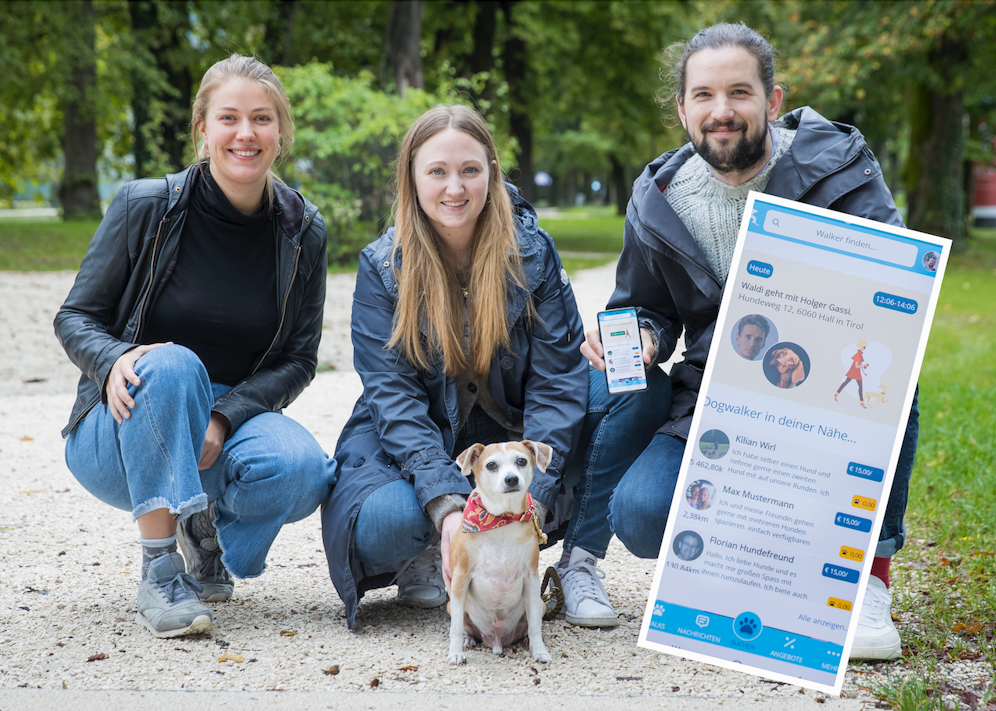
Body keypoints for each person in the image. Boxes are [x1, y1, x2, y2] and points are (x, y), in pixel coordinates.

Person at [573, 22, 919, 660]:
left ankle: (869, 578)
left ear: (774, 101)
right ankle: (756, 559)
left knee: (892, 370)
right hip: (716, 393)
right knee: (642, 515)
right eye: (703, 96)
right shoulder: (659, 197)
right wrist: (643, 334)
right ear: (682, 110)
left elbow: (894, 286)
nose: (721, 111)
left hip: (821, 389)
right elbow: (644, 305)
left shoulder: (838, 170)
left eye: (739, 92)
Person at [54, 54, 337, 639]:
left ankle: (204, 534)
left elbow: (299, 359)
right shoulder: (144, 206)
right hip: (124, 418)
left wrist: (224, 416)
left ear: (280, 133)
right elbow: (75, 316)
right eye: (228, 117)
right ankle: (159, 568)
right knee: (176, 363)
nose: (245, 133)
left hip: (226, 416)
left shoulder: (303, 229)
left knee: (304, 468)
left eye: (262, 119)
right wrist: (110, 361)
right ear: (202, 129)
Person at [320, 105, 591, 629]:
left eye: (470, 170)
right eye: (437, 172)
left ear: (491, 170)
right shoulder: (382, 265)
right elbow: (392, 396)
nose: (455, 188)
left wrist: (528, 498)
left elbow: (560, 381)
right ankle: (429, 544)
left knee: (605, 390)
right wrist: (447, 507)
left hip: (506, 446)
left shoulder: (532, 253)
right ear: (412, 178)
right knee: (386, 523)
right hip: (415, 442)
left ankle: (575, 563)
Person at [836, 339, 870, 406]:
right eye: (864, 347)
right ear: (861, 346)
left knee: (856, 385)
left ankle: (861, 401)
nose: (865, 348)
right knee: (853, 385)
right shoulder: (858, 354)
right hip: (854, 372)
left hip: (856, 372)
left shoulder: (860, 354)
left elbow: (859, 365)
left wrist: (864, 372)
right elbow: (857, 366)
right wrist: (863, 365)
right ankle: (861, 402)